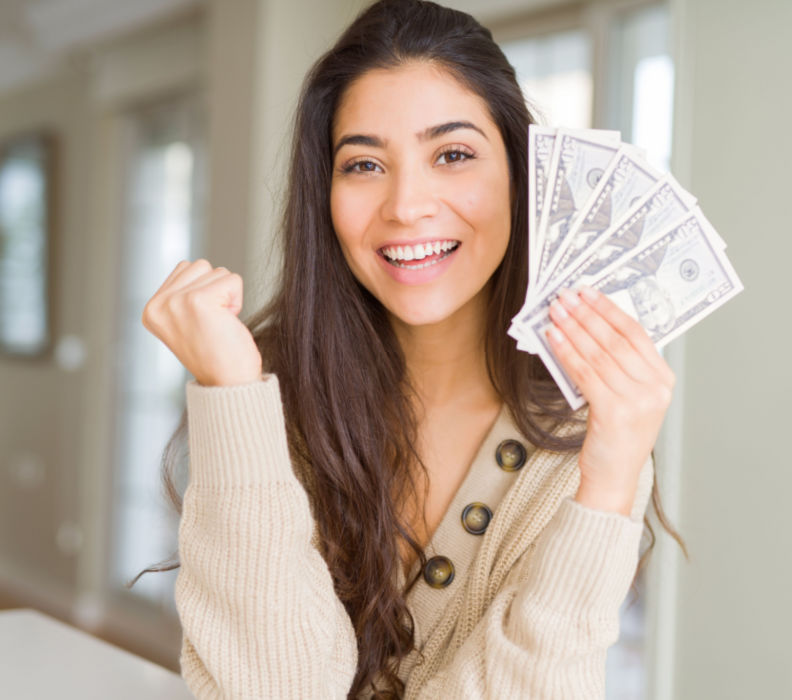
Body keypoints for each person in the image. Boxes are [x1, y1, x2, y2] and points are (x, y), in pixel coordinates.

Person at [140, 0, 683, 697]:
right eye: (363, 164)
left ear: (524, 176)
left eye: (453, 155)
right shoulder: (271, 395)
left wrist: (609, 481)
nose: (405, 205)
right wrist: (234, 395)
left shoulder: (590, 429)